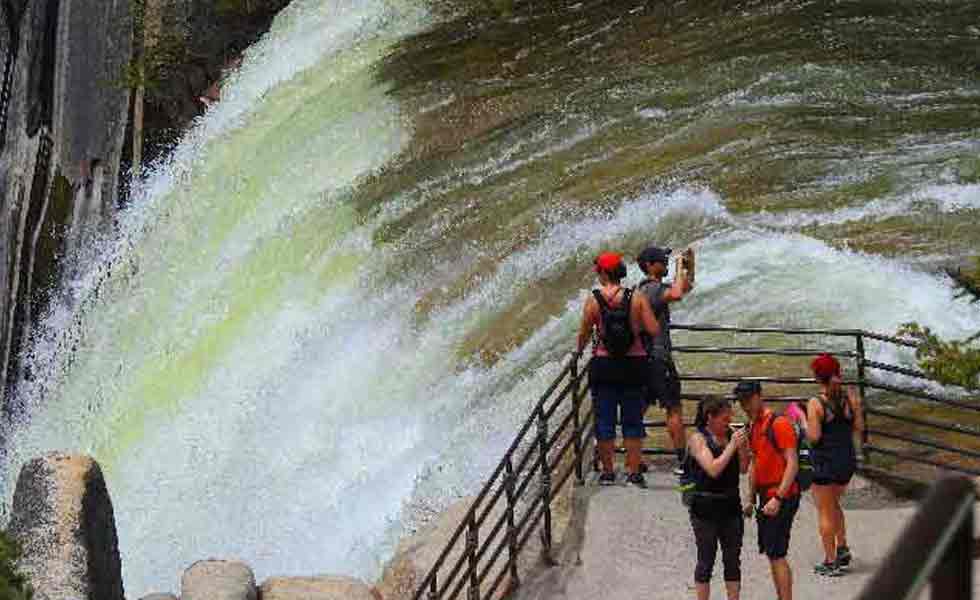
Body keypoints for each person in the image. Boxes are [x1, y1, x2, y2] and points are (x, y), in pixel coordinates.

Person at [575, 252, 660, 488]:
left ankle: (608, 473)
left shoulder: (593, 300)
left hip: (604, 365)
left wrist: (579, 351)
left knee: (604, 421)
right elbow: (653, 329)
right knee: (632, 421)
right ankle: (633, 473)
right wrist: (635, 327)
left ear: (603, 273)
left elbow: (583, 333)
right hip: (634, 365)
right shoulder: (637, 297)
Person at [737, 380, 799, 600]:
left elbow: (792, 464)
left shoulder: (779, 424)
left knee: (777, 553)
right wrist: (750, 498)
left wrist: (778, 498)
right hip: (766, 495)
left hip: (780, 495)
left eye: (748, 399)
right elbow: (753, 463)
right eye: (742, 400)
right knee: (773, 553)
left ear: (759, 396)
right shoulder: (752, 426)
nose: (745, 404)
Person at [636, 246, 693, 475]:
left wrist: (690, 264)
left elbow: (685, 287)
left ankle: (634, 458)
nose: (666, 262)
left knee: (639, 409)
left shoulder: (642, 289)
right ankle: (683, 462)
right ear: (650, 265)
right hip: (659, 358)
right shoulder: (653, 289)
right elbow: (678, 293)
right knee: (673, 409)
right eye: (662, 259)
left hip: (644, 359)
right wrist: (680, 266)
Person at [686, 397, 751, 600]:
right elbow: (713, 469)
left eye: (730, 416)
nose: (729, 421)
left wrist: (742, 448)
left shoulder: (731, 436)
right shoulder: (698, 439)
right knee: (706, 560)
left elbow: (743, 469)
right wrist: (732, 446)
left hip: (731, 506)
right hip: (705, 509)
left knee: (732, 561)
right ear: (710, 418)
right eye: (725, 418)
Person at [807, 353, 863, 576]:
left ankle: (831, 562)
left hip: (824, 464)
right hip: (846, 462)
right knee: (833, 505)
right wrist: (857, 407)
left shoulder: (816, 402)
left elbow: (814, 436)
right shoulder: (850, 398)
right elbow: (858, 429)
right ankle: (842, 548)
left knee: (824, 512)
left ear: (818, 377)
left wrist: (802, 422)